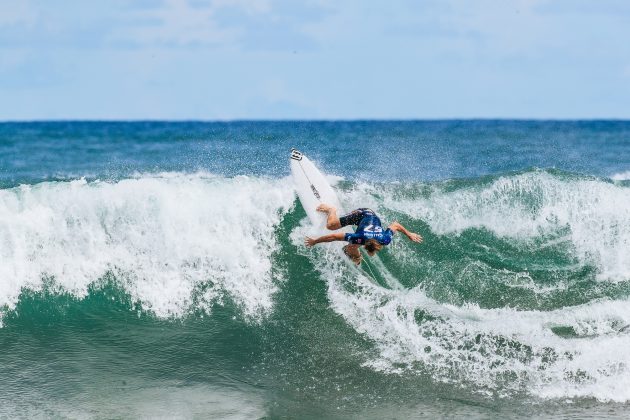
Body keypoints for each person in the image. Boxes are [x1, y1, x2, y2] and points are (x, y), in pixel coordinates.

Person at [304, 204, 422, 265]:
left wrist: (409, 234)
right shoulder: (359, 238)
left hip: (371, 217)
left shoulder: (385, 239)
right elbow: (333, 236)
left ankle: (354, 256)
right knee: (331, 226)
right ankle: (331, 210)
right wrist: (315, 241)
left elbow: (396, 225)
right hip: (361, 214)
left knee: (352, 246)